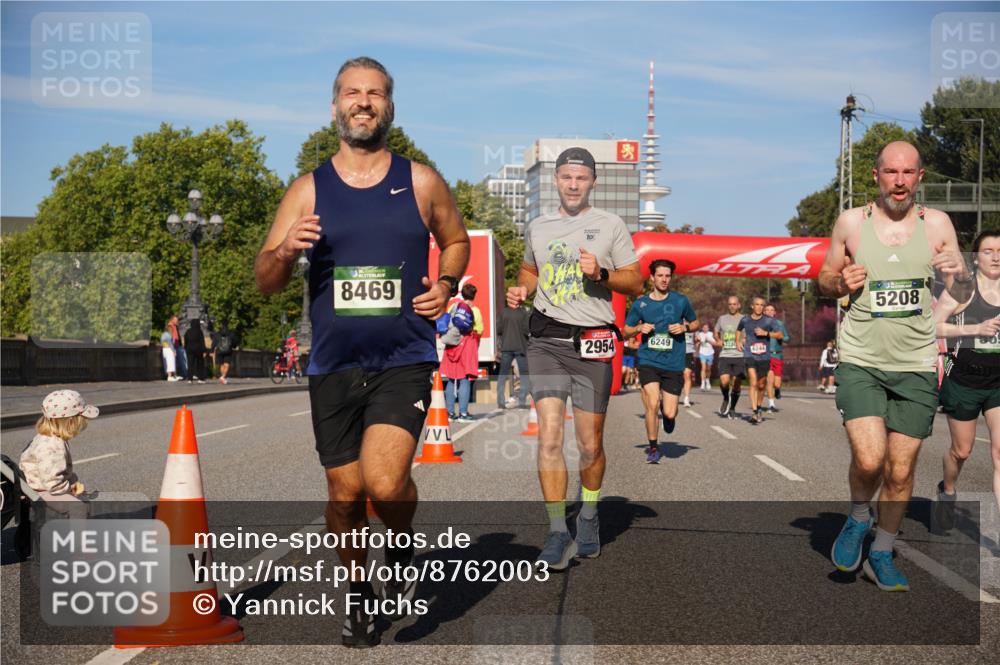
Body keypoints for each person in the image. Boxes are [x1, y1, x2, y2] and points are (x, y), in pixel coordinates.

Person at [254, 56, 470, 647]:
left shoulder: (420, 180)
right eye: (353, 93)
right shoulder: (307, 189)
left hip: (403, 356)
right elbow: (265, 278)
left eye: (376, 94)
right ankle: (355, 592)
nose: (364, 102)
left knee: (383, 479)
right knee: (344, 496)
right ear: (335, 106)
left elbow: (456, 240)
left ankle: (398, 554)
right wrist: (284, 252)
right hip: (332, 364)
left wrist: (445, 285)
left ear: (389, 107)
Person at [820, 140, 971, 592]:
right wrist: (839, 280)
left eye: (908, 174)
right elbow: (826, 277)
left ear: (920, 177)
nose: (899, 182)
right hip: (862, 358)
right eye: (891, 173)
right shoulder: (851, 222)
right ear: (876, 176)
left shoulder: (938, 224)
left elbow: (962, 293)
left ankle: (881, 552)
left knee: (902, 471)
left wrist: (958, 273)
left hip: (916, 363)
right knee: (870, 459)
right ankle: (858, 517)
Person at [506, 146, 642, 570]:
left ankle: (587, 515)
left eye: (581, 178)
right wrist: (521, 289)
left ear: (592, 182)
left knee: (589, 445)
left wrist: (600, 273)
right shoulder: (538, 225)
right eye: (566, 176)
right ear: (556, 180)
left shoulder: (610, 225)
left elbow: (635, 282)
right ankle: (555, 532)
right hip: (545, 340)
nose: (572, 184)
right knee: (548, 437)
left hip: (592, 343)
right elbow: (530, 269)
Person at [933, 229, 1000, 527]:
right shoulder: (964, 289)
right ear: (976, 258)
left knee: (999, 454)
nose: (996, 257)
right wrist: (975, 329)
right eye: (988, 251)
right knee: (962, 451)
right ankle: (947, 490)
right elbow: (935, 327)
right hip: (962, 378)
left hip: (998, 382)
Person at [624, 259, 698, 464]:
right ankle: (653, 447)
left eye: (668, 276)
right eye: (660, 276)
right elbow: (625, 331)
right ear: (652, 277)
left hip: (673, 363)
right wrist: (639, 328)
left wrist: (685, 328)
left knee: (669, 411)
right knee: (652, 403)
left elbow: (695, 322)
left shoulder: (680, 301)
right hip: (648, 360)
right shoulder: (641, 304)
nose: (664, 279)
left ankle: (669, 417)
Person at [19, 390, 99, 518]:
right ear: (70, 422)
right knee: (78, 507)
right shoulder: (52, 446)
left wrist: (72, 482)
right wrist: (71, 490)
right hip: (40, 491)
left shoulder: (49, 437)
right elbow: (53, 483)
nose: (82, 426)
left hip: (39, 485)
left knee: (80, 497)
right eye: (81, 422)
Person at [736, 296, 783, 424]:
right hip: (749, 354)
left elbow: (780, 335)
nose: (759, 307)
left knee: (761, 385)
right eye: (757, 304)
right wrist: (738, 341)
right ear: (752, 306)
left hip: (764, 356)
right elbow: (739, 330)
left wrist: (766, 334)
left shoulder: (769, 321)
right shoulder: (745, 319)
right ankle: (755, 411)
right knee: (753, 381)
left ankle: (759, 406)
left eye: (762, 305)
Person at [440, 284, 482, 421]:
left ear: (462, 294)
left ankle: (450, 413)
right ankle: (463, 413)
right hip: (466, 346)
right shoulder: (475, 311)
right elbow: (479, 329)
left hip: (452, 346)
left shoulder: (454, 307)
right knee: (465, 379)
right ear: (474, 295)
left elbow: (447, 322)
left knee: (451, 380)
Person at [714, 296, 745, 419]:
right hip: (725, 354)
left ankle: (732, 408)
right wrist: (718, 339)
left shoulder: (744, 319)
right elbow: (716, 331)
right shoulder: (722, 318)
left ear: (739, 305)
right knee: (724, 381)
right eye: (730, 304)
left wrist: (744, 341)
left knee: (737, 383)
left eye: (734, 304)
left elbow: (749, 334)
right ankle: (726, 398)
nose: (732, 306)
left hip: (739, 355)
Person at [497, 301, 531, 408]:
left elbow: (499, 329)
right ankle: (521, 401)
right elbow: (526, 330)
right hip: (520, 347)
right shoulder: (523, 313)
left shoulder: (504, 313)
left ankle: (501, 401)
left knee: (503, 374)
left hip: (506, 347)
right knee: (524, 374)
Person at [764, 304, 790, 412]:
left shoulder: (780, 324)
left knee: (776, 383)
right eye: (767, 310)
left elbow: (787, 338)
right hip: (766, 355)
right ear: (764, 312)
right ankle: (771, 404)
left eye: (772, 310)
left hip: (777, 355)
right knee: (769, 381)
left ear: (775, 312)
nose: (770, 312)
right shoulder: (761, 324)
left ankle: (778, 390)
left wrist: (782, 337)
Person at [184, 318, 208, 383]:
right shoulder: (199, 331)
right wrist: (204, 350)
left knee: (190, 364)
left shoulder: (188, 331)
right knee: (200, 364)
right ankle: (200, 378)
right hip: (198, 350)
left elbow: (186, 341)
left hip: (189, 350)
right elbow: (202, 342)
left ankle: (190, 379)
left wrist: (186, 348)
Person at [696, 323, 716, 391]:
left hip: (710, 353)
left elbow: (715, 343)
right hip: (702, 353)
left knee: (708, 369)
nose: (705, 329)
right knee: (703, 368)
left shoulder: (711, 334)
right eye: (704, 327)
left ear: (708, 328)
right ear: (702, 328)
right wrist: (697, 340)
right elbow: (697, 341)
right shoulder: (700, 334)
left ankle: (707, 380)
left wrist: (708, 340)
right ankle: (702, 383)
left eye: (706, 327)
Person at [167, 315, 187, 379]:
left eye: (177, 320)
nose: (177, 321)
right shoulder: (170, 326)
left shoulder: (175, 326)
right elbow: (170, 337)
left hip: (178, 344)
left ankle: (182, 374)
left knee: (181, 360)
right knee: (173, 360)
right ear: (172, 320)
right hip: (173, 345)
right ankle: (174, 375)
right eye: (175, 320)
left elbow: (177, 335)